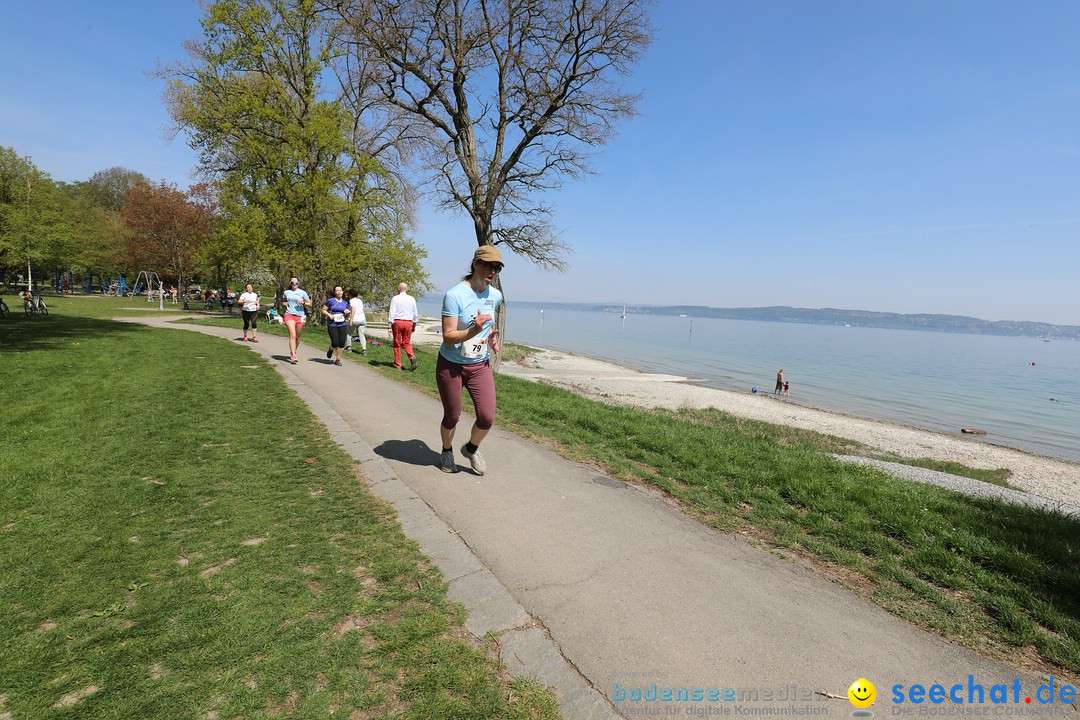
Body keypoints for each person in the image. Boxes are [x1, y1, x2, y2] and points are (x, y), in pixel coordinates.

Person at [435, 246, 504, 475]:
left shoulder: (495, 296)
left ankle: (472, 449)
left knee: (487, 416)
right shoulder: (454, 295)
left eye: (497, 268)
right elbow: (448, 337)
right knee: (452, 415)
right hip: (451, 365)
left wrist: (489, 336)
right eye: (488, 265)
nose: (492, 271)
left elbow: (487, 323)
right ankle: (447, 450)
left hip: (479, 364)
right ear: (475, 264)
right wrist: (475, 330)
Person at [388, 282, 419, 371]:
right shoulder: (412, 299)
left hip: (398, 322)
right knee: (406, 342)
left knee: (397, 344)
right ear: (407, 289)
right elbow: (415, 313)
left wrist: (389, 325)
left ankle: (398, 365)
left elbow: (392, 312)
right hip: (409, 322)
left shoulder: (395, 298)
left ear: (398, 289)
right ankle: (412, 356)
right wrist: (414, 325)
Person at [282, 277, 311, 365]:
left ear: (298, 283)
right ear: (290, 283)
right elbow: (283, 302)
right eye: (292, 282)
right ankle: (293, 355)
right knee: (293, 335)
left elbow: (310, 304)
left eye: (296, 283)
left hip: (300, 316)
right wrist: (285, 304)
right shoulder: (286, 292)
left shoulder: (303, 293)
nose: (294, 284)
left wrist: (303, 303)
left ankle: (293, 351)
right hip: (289, 314)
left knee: (298, 336)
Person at [321, 285, 351, 367]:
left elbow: (347, 316)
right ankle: (331, 349)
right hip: (332, 324)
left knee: (341, 343)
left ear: (342, 292)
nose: (339, 292)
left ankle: (338, 359)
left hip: (342, 324)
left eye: (340, 290)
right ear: (334, 292)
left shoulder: (345, 303)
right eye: (337, 290)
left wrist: (348, 313)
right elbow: (323, 310)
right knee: (335, 343)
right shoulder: (330, 301)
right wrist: (329, 314)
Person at [345, 289, 367, 354]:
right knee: (362, 335)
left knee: (348, 333)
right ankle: (364, 350)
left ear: (350, 295)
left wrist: (350, 320)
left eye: (348, 294)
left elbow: (353, 310)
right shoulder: (360, 301)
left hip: (355, 319)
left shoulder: (351, 301)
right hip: (362, 319)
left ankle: (349, 348)